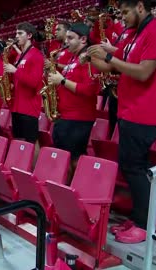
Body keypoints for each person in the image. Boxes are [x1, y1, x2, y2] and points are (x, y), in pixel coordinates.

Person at [88, 0, 156, 243]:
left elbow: (143, 72)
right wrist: (88, 56)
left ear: (141, 7)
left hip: (145, 113)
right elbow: (110, 64)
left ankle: (144, 225)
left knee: (135, 167)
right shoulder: (134, 34)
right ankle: (137, 218)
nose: (122, 17)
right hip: (128, 110)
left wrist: (110, 57)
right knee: (129, 165)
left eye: (125, 12)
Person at [48, 23, 101, 178]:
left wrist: (62, 81)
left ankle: (77, 190)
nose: (66, 42)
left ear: (83, 39)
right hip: (65, 116)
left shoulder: (89, 59)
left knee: (74, 158)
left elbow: (90, 90)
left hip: (79, 118)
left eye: (70, 38)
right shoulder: (73, 58)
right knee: (64, 157)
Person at [4, 22, 45, 143]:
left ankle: (35, 163)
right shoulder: (20, 56)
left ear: (29, 35)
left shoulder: (36, 54)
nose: (17, 36)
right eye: (16, 33)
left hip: (29, 107)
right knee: (19, 142)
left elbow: (34, 82)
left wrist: (15, 71)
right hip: (17, 106)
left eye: (20, 33)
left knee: (31, 142)